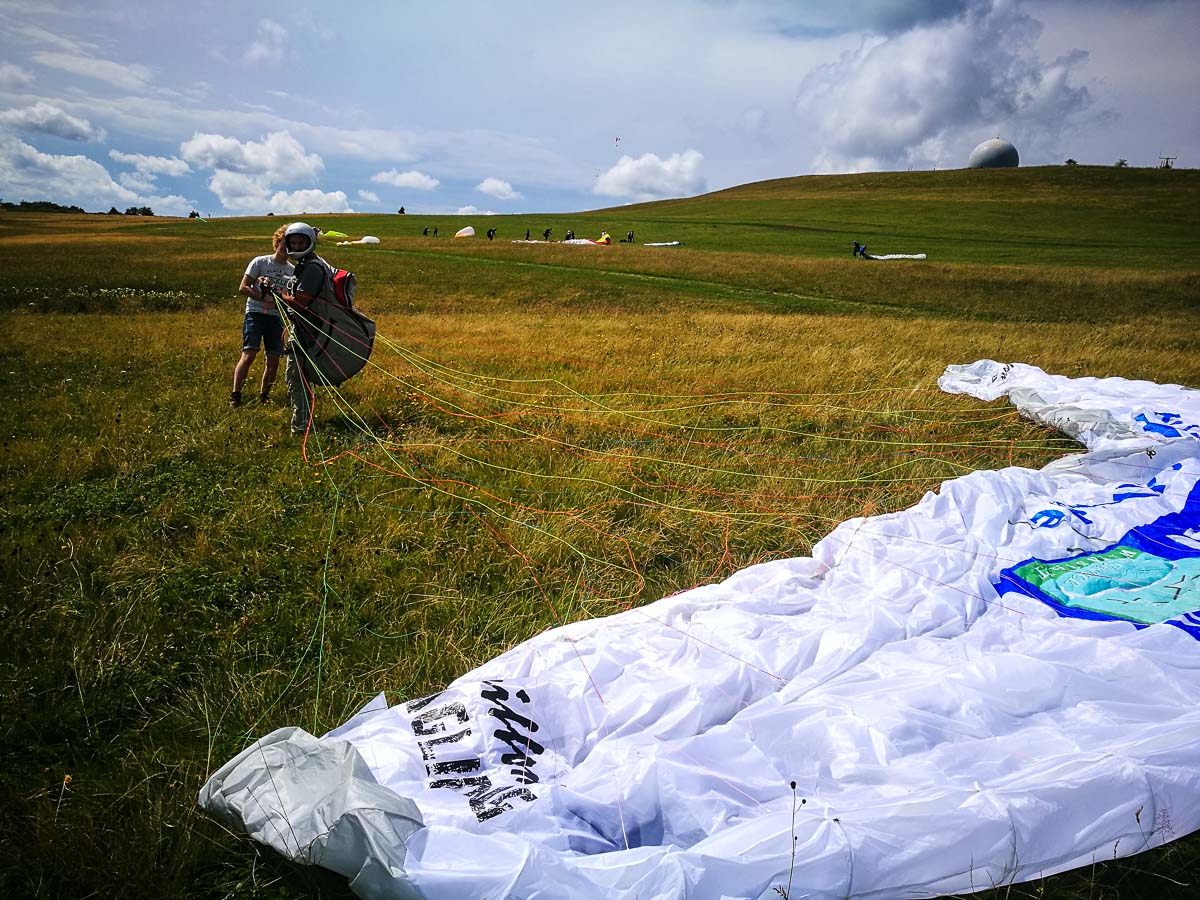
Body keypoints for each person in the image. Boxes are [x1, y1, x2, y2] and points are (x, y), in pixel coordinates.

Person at [274, 222, 334, 435]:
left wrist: (276, 292)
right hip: (307, 328)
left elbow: (300, 303)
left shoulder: (311, 268)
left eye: (301, 243)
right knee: (299, 377)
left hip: (307, 331)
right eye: (294, 243)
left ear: (310, 242)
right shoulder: (307, 264)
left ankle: (301, 427)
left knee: (296, 377)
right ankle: (304, 422)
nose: (297, 247)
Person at [231, 224, 293, 407]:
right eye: (284, 244)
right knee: (249, 354)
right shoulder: (260, 262)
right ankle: (235, 395)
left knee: (273, 359)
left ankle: (264, 396)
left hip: (276, 317)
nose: (286, 249)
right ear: (277, 243)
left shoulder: (293, 271)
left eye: (290, 246)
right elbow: (243, 287)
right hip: (255, 313)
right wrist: (263, 298)